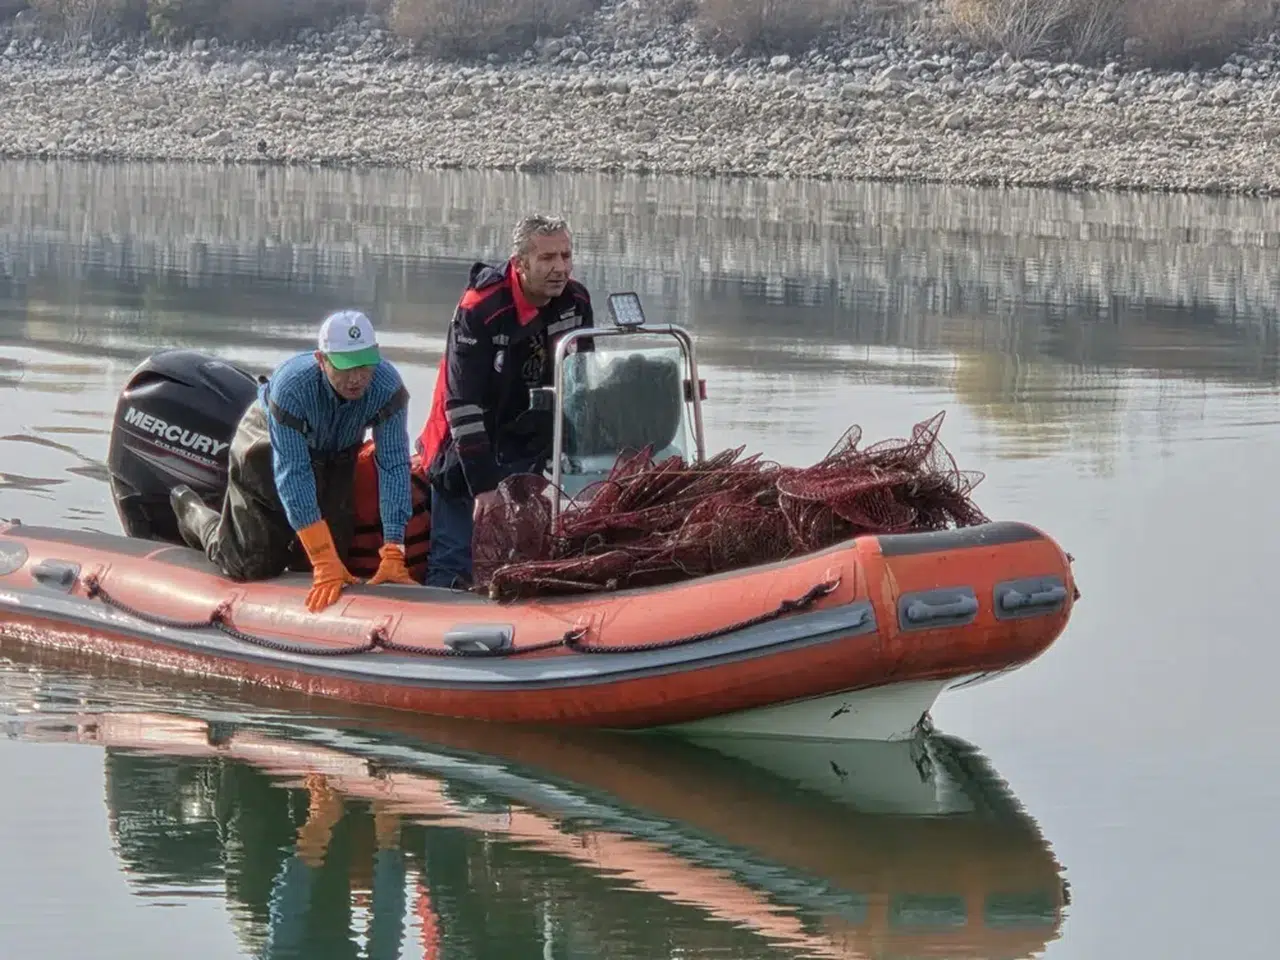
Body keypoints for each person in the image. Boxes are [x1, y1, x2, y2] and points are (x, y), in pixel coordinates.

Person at [170, 309, 417, 612]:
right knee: (249, 564)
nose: (357, 378)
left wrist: (394, 548)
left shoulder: (386, 387)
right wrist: (323, 559)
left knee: (326, 559)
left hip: (337, 450)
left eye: (365, 365)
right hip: (268, 443)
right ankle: (192, 511)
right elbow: (294, 474)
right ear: (321, 359)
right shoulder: (292, 387)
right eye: (346, 366)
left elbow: (393, 465)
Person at [417, 214, 594, 589]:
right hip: (462, 439)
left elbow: (580, 385)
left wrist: (580, 455)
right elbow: (461, 402)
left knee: (523, 550)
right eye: (547, 259)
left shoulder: (576, 302)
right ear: (520, 263)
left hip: (524, 434)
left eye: (565, 256)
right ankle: (439, 614)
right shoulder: (480, 307)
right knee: (455, 555)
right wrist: (482, 485)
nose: (559, 268)